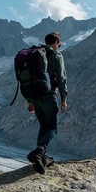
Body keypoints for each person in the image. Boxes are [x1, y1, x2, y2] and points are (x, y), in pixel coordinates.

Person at [26, 32, 67, 173]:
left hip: (35, 97)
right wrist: (63, 98)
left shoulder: (35, 54)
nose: (59, 46)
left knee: (43, 126)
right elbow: (61, 78)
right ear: (55, 41)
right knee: (53, 128)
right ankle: (39, 152)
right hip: (49, 95)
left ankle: (41, 158)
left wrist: (30, 100)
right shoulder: (56, 55)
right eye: (58, 43)